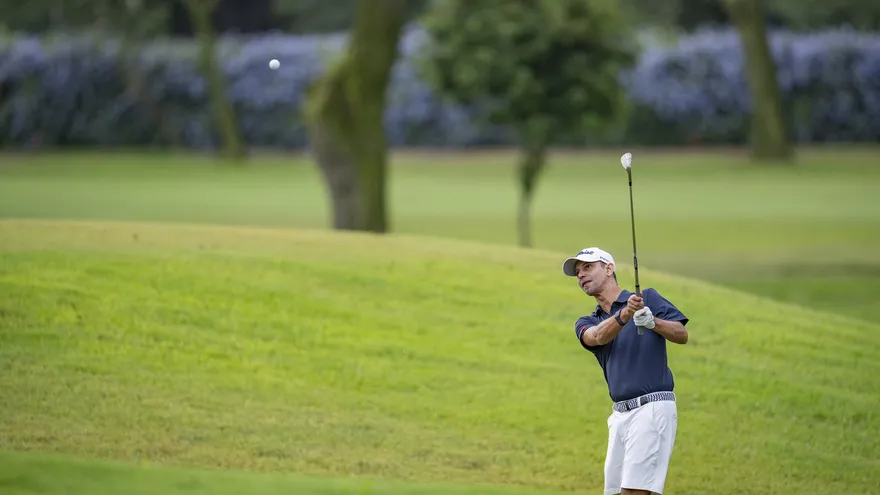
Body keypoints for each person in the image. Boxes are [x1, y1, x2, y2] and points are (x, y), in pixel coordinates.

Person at [561, 247, 690, 495]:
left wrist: (654, 322)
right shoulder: (588, 321)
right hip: (619, 416)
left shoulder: (648, 298)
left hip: (651, 407)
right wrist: (626, 314)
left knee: (633, 492)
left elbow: (681, 334)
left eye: (588, 267)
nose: (581, 275)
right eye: (578, 272)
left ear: (609, 269)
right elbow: (596, 337)